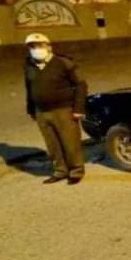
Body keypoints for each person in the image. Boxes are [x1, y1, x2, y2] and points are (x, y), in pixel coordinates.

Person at [24, 33, 88, 185]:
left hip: (63, 109)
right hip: (41, 111)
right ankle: (60, 171)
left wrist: (78, 108)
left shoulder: (63, 63)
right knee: (52, 144)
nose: (36, 49)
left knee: (70, 143)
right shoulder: (29, 64)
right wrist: (31, 109)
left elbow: (80, 85)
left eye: (40, 45)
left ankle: (76, 171)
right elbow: (29, 88)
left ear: (49, 47)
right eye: (32, 46)